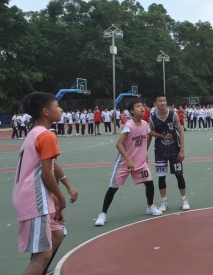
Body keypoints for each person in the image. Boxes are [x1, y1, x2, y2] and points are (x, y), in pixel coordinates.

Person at [13, 92, 78, 275]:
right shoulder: (46, 136)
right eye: (57, 106)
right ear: (46, 112)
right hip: (34, 199)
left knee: (58, 234)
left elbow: (50, 165)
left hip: (33, 196)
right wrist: (61, 198)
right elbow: (47, 174)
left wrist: (66, 186)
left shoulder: (34, 133)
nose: (61, 109)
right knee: (43, 255)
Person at [94, 100, 163, 226]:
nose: (142, 108)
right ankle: (103, 213)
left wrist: (162, 136)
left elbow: (150, 132)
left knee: (149, 183)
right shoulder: (129, 126)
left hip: (140, 162)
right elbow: (119, 144)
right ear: (132, 111)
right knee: (113, 188)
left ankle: (150, 206)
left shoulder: (144, 124)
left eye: (142, 106)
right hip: (124, 162)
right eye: (138, 106)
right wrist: (128, 159)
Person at [148, 93, 190, 212]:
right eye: (160, 101)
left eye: (164, 100)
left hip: (174, 150)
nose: (163, 103)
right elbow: (150, 133)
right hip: (160, 151)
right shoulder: (152, 118)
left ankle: (184, 199)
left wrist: (182, 150)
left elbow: (180, 132)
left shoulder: (173, 115)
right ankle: (164, 201)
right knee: (161, 177)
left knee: (179, 175)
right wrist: (144, 152)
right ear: (155, 104)